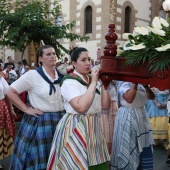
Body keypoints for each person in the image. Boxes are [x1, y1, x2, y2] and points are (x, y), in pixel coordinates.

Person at [47, 47, 111, 170]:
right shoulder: (69, 81)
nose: (88, 63)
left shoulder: (92, 80)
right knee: (75, 164)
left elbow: (105, 106)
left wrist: (105, 84)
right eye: (83, 60)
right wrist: (93, 83)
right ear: (74, 63)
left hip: (94, 126)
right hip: (76, 126)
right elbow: (81, 107)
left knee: (96, 162)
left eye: (89, 59)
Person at [6, 45, 65, 169]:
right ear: (40, 59)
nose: (52, 56)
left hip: (60, 121)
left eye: (54, 53)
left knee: (59, 160)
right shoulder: (33, 75)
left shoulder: (61, 75)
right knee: (40, 159)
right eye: (48, 54)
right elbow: (10, 91)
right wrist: (26, 109)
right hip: (41, 122)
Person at [110, 82, 155, 170]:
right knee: (129, 146)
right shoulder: (124, 84)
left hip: (141, 117)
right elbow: (129, 99)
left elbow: (152, 97)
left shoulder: (142, 85)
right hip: (128, 116)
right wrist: (135, 83)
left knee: (144, 146)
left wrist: (146, 86)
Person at [0, 75, 16, 170]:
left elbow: (7, 94)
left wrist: (11, 108)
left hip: (1, 108)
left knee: (1, 135)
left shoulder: (1, 78)